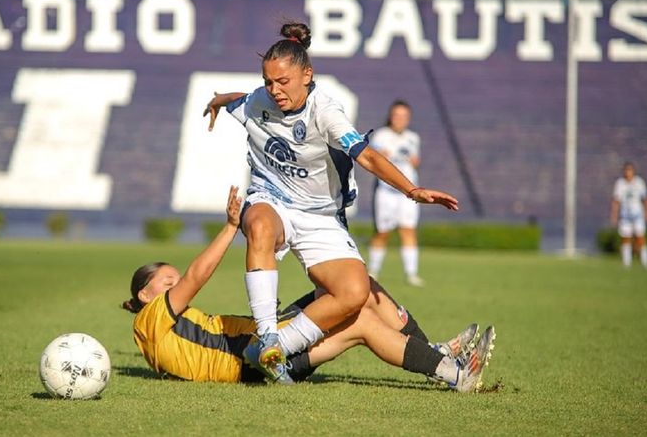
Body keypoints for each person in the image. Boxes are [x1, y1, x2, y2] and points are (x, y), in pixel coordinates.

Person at [203, 22, 459, 383]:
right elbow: (239, 100)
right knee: (259, 225)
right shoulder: (259, 99)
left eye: (283, 82)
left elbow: (366, 157)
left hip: (321, 215)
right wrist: (217, 100)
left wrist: (411, 190)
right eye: (268, 82)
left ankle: (273, 350)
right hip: (271, 199)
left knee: (356, 292)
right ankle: (267, 334)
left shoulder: (326, 111)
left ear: (307, 74)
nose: (274, 91)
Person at [122, 186, 496, 392]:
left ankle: (434, 352)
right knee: (360, 319)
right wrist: (231, 227)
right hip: (254, 362)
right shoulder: (151, 320)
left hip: (260, 342)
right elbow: (196, 276)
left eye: (172, 280)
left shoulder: (161, 330)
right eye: (166, 282)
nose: (176, 286)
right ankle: (453, 372)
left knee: (357, 288)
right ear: (144, 295)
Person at [367, 100, 424, 286]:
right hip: (386, 192)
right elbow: (375, 159)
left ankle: (411, 273)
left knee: (408, 230)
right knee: (382, 232)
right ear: (391, 117)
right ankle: (373, 271)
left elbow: (415, 162)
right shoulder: (381, 136)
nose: (400, 119)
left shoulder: (413, 138)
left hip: (408, 193)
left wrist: (414, 162)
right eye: (396, 115)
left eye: (404, 116)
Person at [611, 162, 647, 269]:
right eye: (626, 170)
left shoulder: (639, 182)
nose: (627, 173)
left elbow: (645, 198)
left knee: (640, 237)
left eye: (630, 170)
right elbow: (616, 200)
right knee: (626, 238)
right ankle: (627, 263)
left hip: (638, 215)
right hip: (625, 216)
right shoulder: (620, 183)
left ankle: (645, 262)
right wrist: (614, 215)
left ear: (633, 171)